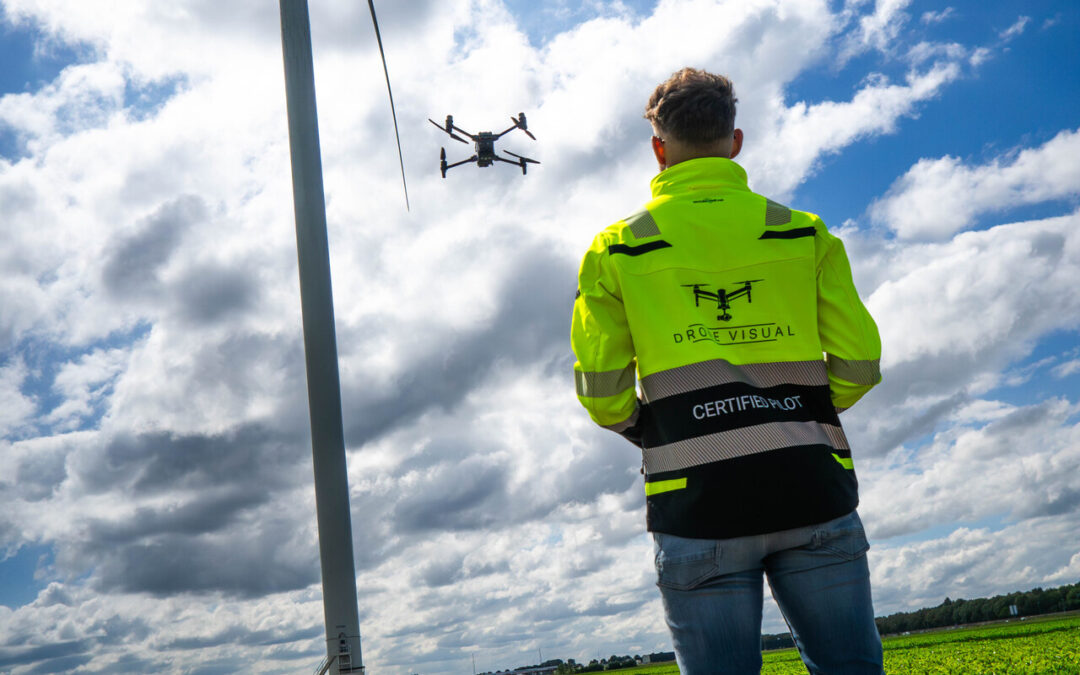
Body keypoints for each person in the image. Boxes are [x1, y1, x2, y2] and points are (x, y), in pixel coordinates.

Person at [570, 68, 885, 674]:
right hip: (811, 486)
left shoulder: (617, 248)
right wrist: (794, 411)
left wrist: (649, 427)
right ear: (734, 141)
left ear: (659, 149)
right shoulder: (801, 232)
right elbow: (859, 364)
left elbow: (604, 393)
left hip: (696, 504)